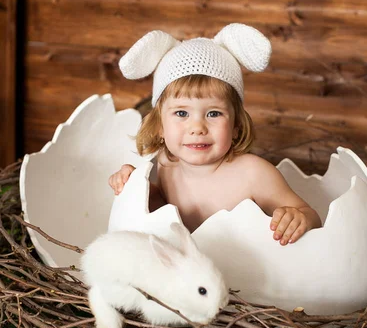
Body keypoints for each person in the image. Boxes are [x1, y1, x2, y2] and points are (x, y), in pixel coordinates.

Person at [109, 24, 321, 244]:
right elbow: (165, 206)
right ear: (159, 126)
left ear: (237, 125)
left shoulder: (253, 174)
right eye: (182, 112)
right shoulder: (167, 163)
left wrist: (299, 217)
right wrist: (136, 186)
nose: (198, 127)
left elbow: (310, 214)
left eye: (213, 113)